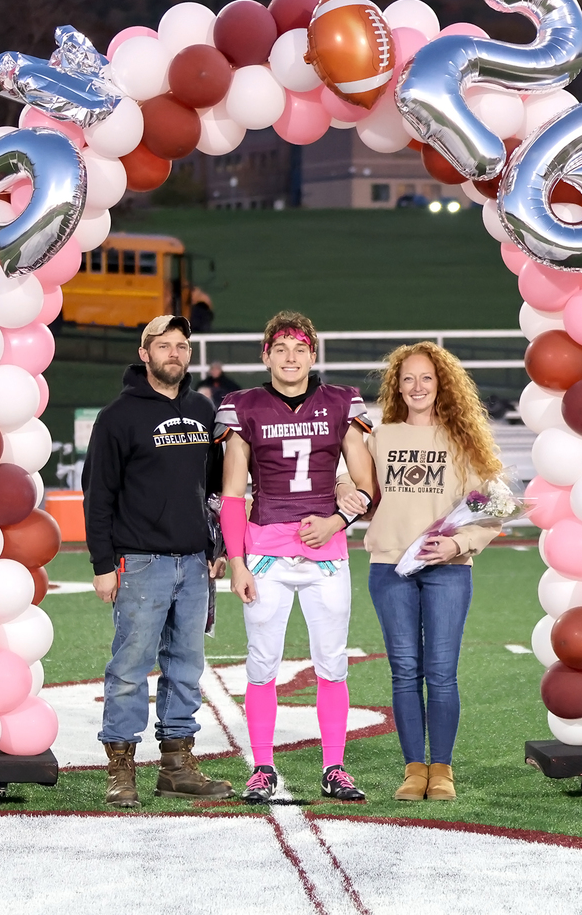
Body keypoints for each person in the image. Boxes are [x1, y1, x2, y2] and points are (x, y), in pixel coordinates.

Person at [217, 311, 375, 803]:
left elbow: (367, 485)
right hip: (264, 554)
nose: (290, 356)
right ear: (265, 355)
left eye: (299, 347)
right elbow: (232, 495)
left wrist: (336, 521)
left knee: (332, 663)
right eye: (280, 348)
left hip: (326, 553)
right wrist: (237, 561)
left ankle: (334, 766)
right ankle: (262, 766)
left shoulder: (341, 404)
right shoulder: (243, 407)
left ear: (313, 354)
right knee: (262, 665)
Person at [338, 342, 502, 802]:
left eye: (426, 378)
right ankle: (414, 770)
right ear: (397, 386)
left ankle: (442, 770)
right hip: (390, 567)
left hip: (448, 570)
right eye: (407, 378)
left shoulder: (460, 438)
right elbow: (351, 479)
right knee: (405, 671)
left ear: (440, 384)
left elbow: (491, 507)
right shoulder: (381, 435)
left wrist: (457, 542)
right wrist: (343, 489)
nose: (417, 387)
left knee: (442, 672)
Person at [83, 315, 233, 808]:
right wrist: (103, 564)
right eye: (164, 345)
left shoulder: (200, 408)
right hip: (140, 563)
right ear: (144, 354)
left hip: (194, 563)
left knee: (186, 667)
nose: (175, 353)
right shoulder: (117, 417)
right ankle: (121, 770)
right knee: (129, 668)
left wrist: (219, 546)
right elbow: (97, 495)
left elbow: (213, 488)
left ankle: (176, 765)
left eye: (182, 346)